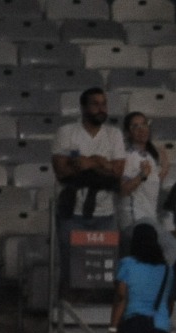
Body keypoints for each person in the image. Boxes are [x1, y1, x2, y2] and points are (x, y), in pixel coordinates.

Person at [51, 87, 125, 248]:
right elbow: (62, 172)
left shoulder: (114, 134)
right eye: (95, 104)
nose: (101, 109)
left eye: (104, 104)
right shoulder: (66, 132)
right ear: (83, 107)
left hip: (105, 213)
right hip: (72, 213)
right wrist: (104, 164)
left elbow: (117, 172)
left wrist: (92, 161)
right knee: (72, 267)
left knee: (102, 267)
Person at [109, 219, 171, 333]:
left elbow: (121, 296)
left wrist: (113, 327)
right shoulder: (166, 268)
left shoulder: (127, 263)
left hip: (133, 326)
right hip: (160, 328)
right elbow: (169, 299)